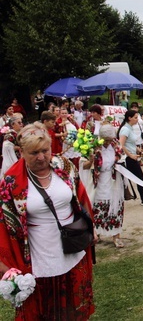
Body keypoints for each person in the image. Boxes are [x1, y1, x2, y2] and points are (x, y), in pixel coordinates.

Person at [0, 123, 95, 319]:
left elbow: (80, 197)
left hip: (73, 248)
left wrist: (90, 228)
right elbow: (4, 225)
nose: (41, 157)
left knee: (73, 307)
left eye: (45, 150)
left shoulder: (64, 166)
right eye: (34, 153)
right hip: (39, 258)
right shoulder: (11, 182)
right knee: (45, 311)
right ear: (22, 152)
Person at [81, 124, 125, 248]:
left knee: (115, 206)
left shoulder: (116, 146)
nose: (108, 142)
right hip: (99, 181)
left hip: (114, 180)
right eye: (105, 140)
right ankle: (97, 233)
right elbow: (83, 166)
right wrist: (90, 160)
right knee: (98, 207)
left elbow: (122, 157)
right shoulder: (93, 147)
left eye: (110, 140)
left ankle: (116, 236)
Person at [118, 110, 143, 206]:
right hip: (129, 158)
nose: (137, 120)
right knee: (139, 177)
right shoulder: (125, 129)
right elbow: (121, 145)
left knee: (139, 177)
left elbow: (130, 143)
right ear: (129, 118)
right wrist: (130, 155)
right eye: (135, 117)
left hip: (133, 156)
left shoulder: (129, 128)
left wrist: (140, 151)